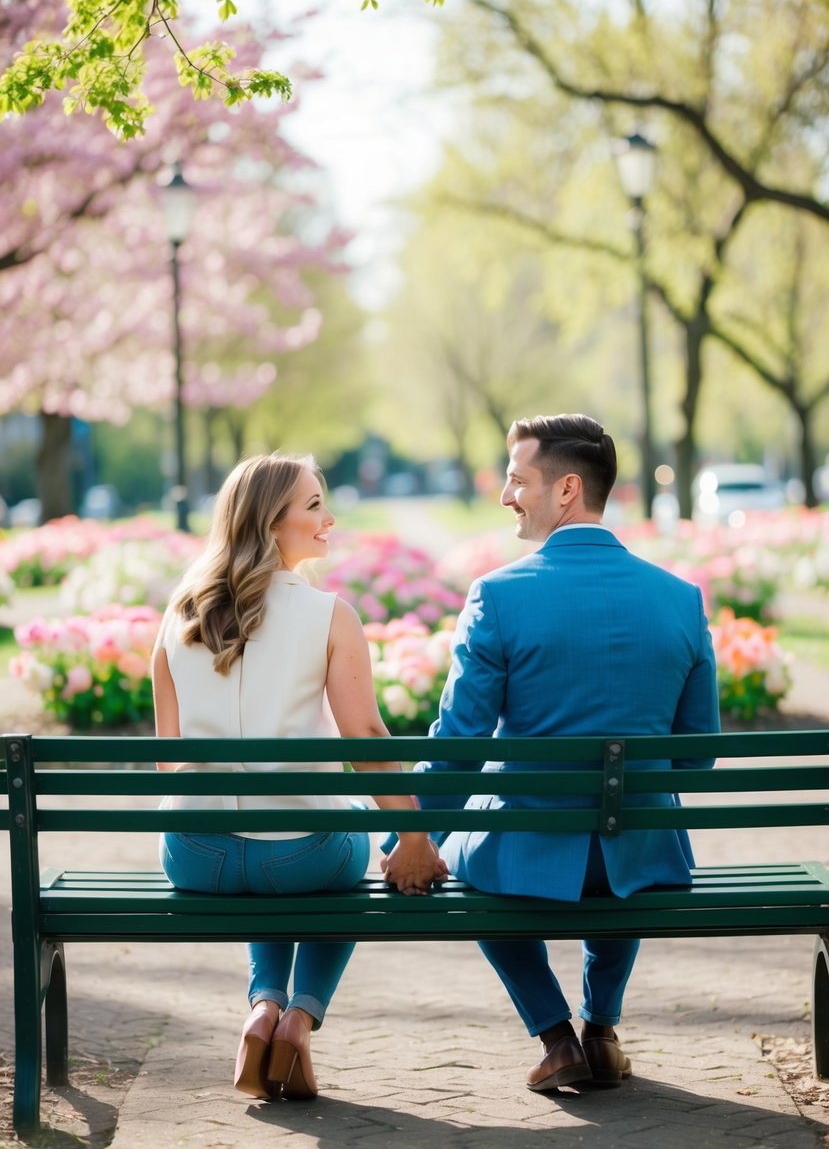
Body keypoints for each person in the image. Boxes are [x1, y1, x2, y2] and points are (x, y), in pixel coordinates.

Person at [385, 413, 719, 1093]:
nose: (506, 495)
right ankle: (600, 1028)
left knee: (471, 859)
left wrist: (411, 837)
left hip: (522, 857)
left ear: (566, 490)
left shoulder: (499, 595)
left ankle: (555, 1037)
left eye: (516, 480)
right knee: (625, 821)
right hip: (641, 858)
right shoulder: (680, 599)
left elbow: (458, 746)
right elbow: (695, 759)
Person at [152, 453, 445, 1104]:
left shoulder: (177, 617)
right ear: (269, 520)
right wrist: (415, 838)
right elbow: (366, 739)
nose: (328, 517)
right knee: (344, 845)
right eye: (313, 504)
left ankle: (262, 1006)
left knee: (264, 842)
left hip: (196, 857)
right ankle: (298, 1018)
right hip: (304, 857)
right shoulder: (327, 614)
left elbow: (168, 764)